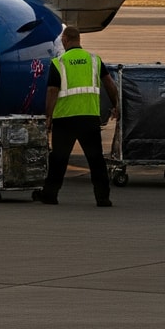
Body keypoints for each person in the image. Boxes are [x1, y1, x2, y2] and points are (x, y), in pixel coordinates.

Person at [34, 28, 121, 207]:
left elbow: (52, 91)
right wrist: (116, 105)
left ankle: (50, 195)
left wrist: (48, 116)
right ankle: (103, 197)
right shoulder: (94, 60)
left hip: (65, 118)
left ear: (65, 40)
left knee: (59, 159)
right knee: (96, 159)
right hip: (89, 117)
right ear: (79, 39)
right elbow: (109, 84)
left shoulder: (59, 62)